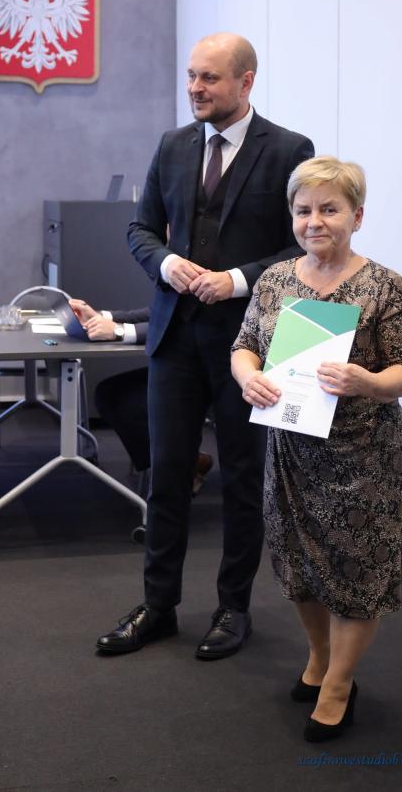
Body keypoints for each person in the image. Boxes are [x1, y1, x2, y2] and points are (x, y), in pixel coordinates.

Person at [97, 32, 314, 659]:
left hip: (251, 345)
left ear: (246, 82)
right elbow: (140, 229)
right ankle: (158, 606)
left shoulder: (289, 150)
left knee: (243, 479)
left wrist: (237, 279)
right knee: (166, 475)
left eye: (209, 78)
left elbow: (301, 244)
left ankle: (233, 609)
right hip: (175, 338)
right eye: (192, 76)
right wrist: (166, 264)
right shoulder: (172, 145)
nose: (195, 88)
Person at [230, 156, 402, 741]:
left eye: (329, 209)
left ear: (357, 217)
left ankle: (339, 684)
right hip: (291, 450)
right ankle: (319, 657)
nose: (314, 221)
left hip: (364, 456)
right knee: (298, 563)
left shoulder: (386, 286)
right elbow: (244, 347)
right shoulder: (274, 281)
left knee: (356, 570)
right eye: (303, 210)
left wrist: (368, 382)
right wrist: (248, 377)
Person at [69, 299, 213, 488]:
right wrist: (102, 316)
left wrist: (119, 331)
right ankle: (183, 465)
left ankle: (178, 469)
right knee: (110, 393)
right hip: (184, 365)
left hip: (214, 371)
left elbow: (189, 325)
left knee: (123, 400)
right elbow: (161, 311)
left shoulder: (217, 287)